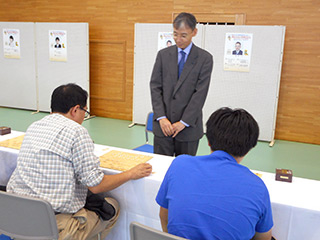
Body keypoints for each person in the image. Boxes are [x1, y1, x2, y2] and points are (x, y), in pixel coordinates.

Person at [7, 83, 152, 240]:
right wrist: (131, 173)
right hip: (55, 227)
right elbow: (97, 186)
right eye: (85, 111)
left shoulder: (34, 126)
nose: (85, 116)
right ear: (75, 110)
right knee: (112, 206)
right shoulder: (76, 132)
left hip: (18, 219)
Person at [156, 107, 273, 240]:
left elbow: (163, 216)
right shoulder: (257, 186)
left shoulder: (179, 164)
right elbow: (264, 237)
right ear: (248, 148)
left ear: (208, 141)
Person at [150, 12, 213, 156]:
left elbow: (200, 94)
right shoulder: (163, 55)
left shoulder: (205, 59)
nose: (178, 39)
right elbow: (155, 87)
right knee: (161, 170)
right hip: (163, 127)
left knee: (185, 171)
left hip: (188, 129)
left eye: (183, 35)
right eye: (175, 34)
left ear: (194, 32)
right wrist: (161, 117)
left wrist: (183, 122)